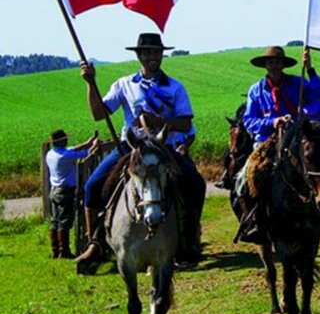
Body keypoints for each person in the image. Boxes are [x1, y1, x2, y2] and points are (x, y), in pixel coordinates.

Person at [76, 33, 205, 272]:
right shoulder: (124, 84)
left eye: (155, 52)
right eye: (146, 52)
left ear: (161, 55)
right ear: (139, 55)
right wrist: (89, 83)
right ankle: (94, 240)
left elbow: (185, 123)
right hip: (130, 149)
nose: (152, 57)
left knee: (195, 183)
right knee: (92, 186)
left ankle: (188, 238)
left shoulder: (175, 87)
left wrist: (161, 120)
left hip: (163, 148)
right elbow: (99, 113)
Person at [235, 45, 320, 242]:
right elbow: (249, 120)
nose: (274, 65)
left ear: (283, 64)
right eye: (270, 62)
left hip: (295, 138)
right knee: (246, 178)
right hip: (267, 140)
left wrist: (310, 69)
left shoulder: (297, 82)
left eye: (277, 62)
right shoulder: (256, 90)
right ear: (265, 65)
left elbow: (319, 94)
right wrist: (272, 121)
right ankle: (256, 221)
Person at [45, 129, 98, 258]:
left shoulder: (51, 153)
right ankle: (64, 251)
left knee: (55, 221)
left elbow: (71, 149)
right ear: (61, 141)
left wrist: (87, 142)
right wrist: (94, 146)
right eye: (65, 139)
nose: (67, 140)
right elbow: (85, 154)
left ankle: (55, 249)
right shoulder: (64, 156)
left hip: (54, 190)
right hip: (65, 191)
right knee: (64, 221)